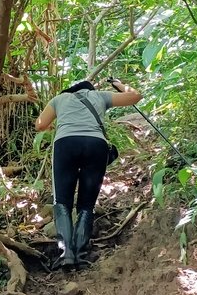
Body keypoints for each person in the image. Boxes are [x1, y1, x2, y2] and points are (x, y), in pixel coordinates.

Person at [34, 78, 141, 268]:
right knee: (87, 203)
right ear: (90, 90)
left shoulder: (60, 99)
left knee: (62, 201)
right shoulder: (100, 96)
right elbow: (135, 96)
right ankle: (81, 253)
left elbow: (40, 125)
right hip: (95, 145)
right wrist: (118, 84)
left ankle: (66, 253)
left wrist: (56, 126)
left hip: (65, 144)